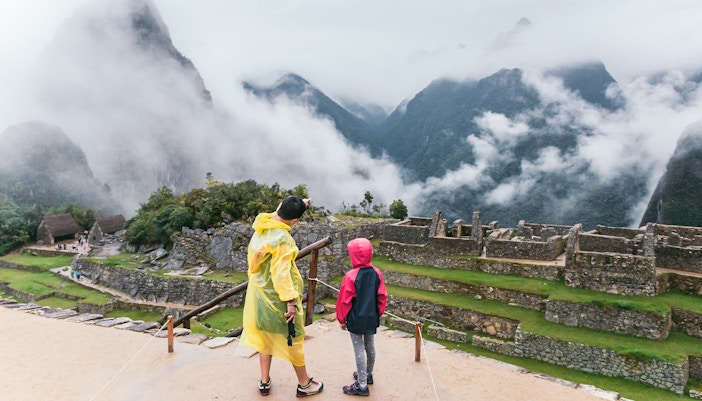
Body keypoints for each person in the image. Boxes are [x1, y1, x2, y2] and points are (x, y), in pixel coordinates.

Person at [239, 195, 324, 398]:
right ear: (294, 221)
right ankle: (304, 384)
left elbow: (282, 210)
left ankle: (264, 381)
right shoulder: (283, 240)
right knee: (293, 338)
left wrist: (301, 203)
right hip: (278, 299)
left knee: (264, 337)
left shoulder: (263, 226)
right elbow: (281, 275)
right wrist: (291, 303)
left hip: (260, 296)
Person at [336, 237, 388, 397]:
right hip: (371, 317)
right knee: (370, 346)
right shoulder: (377, 273)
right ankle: (368, 374)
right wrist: (378, 314)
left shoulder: (351, 276)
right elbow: (382, 296)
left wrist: (342, 319)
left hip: (356, 318)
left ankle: (362, 384)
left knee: (359, 349)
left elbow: (345, 300)